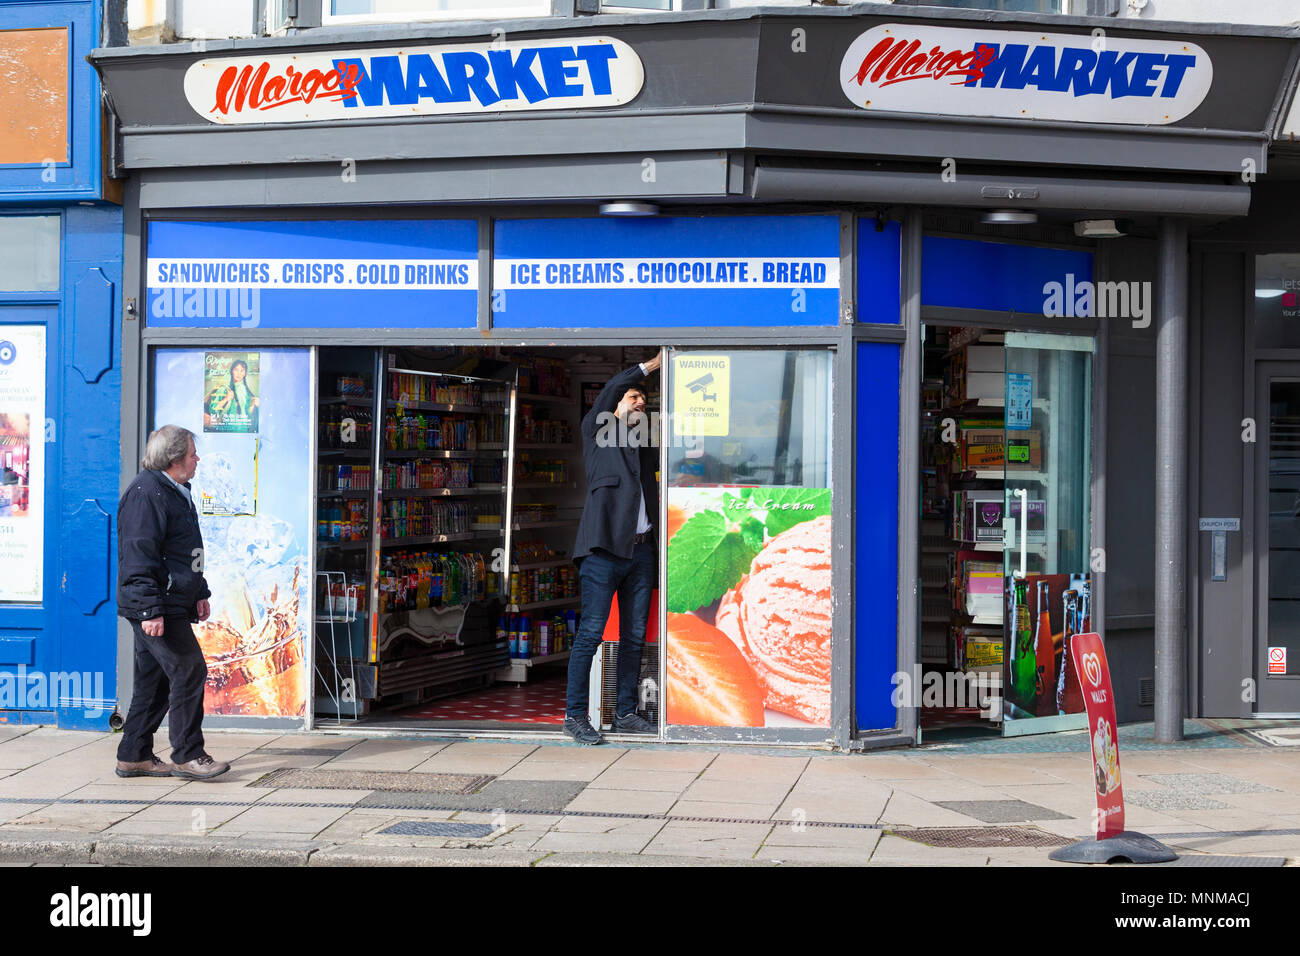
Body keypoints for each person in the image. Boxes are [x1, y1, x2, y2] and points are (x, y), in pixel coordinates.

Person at [115, 425, 230, 780]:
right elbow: (138, 556)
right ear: (175, 458)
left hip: (172, 602)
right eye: (193, 454)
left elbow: (184, 553)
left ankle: (134, 753)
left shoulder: (174, 491)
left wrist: (199, 592)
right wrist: (149, 609)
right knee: (188, 668)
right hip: (156, 606)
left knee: (155, 682)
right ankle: (187, 754)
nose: (198, 460)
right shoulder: (146, 494)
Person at [564, 353, 662, 745]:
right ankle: (574, 716)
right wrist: (651, 366)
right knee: (590, 634)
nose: (640, 403)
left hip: (640, 553)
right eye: (634, 397)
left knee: (634, 638)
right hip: (603, 550)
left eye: (644, 400)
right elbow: (607, 392)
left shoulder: (644, 445)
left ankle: (624, 712)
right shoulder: (597, 431)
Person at [208, 358, 259, 431]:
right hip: (228, 430)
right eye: (236, 370)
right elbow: (213, 410)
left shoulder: (247, 392)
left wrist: (252, 405)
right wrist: (226, 398)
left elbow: (247, 415)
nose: (239, 373)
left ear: (245, 373)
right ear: (232, 371)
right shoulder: (224, 389)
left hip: (243, 430)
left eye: (242, 370)